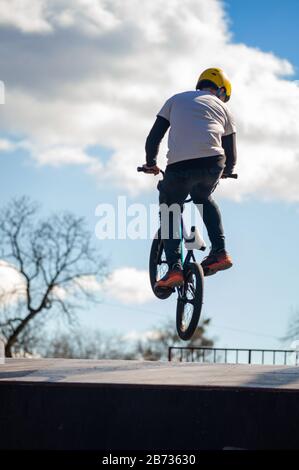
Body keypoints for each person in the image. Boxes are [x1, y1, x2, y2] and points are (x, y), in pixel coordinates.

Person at [142, 67, 237, 289]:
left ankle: (174, 269)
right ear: (221, 91)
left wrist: (150, 163)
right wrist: (228, 169)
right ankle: (220, 252)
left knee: (170, 209)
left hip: (178, 167)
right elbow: (231, 150)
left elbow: (154, 136)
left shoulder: (175, 100)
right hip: (212, 163)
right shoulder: (224, 108)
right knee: (203, 197)